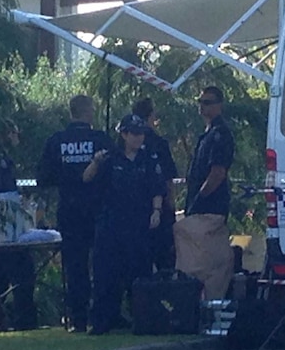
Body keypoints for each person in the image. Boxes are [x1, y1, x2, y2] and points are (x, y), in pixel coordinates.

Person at [84, 113, 165, 335]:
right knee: (106, 273)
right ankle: (103, 319)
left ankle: (142, 318)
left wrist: (156, 212)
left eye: (142, 134)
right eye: (135, 134)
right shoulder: (110, 158)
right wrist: (95, 162)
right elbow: (87, 178)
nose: (139, 138)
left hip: (138, 224)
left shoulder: (149, 158)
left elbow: (157, 188)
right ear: (124, 134)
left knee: (138, 272)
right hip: (110, 223)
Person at [37, 95, 111, 333]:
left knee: (75, 267)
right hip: (98, 210)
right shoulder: (99, 139)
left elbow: (43, 177)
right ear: (88, 112)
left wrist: (66, 177)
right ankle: (103, 315)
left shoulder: (56, 141)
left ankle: (77, 319)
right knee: (102, 264)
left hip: (69, 210)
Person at [174, 86, 236, 300]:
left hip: (210, 208)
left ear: (219, 105)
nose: (202, 106)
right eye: (200, 101)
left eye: (208, 102)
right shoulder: (208, 134)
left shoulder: (220, 134)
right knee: (204, 260)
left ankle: (210, 303)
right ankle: (201, 303)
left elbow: (217, 173)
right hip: (202, 208)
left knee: (206, 262)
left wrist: (200, 200)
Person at [0, 120, 37, 331]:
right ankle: (22, 320)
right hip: (2, 229)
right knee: (18, 272)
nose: (17, 138)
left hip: (3, 229)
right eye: (15, 134)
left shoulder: (2, 160)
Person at [132, 97, 179, 271]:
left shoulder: (126, 143)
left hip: (134, 214)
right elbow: (168, 181)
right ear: (150, 116)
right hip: (160, 212)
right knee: (164, 263)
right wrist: (171, 210)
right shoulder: (159, 144)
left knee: (138, 267)